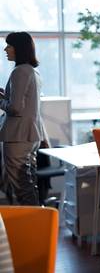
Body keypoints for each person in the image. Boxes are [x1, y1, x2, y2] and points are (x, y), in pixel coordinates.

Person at [0, 32, 43, 205]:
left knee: (22, 189)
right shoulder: (32, 71)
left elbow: (14, 108)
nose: (6, 49)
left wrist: (1, 101)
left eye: (9, 46)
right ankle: (38, 224)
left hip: (17, 137)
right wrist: (5, 96)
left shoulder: (19, 71)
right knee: (29, 185)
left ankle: (31, 228)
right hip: (30, 135)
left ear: (19, 48)